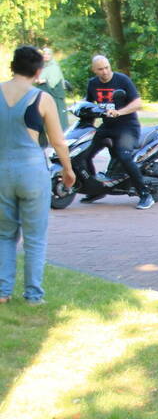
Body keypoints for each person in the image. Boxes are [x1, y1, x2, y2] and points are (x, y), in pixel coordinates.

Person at [0, 46, 75, 305]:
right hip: (31, 170)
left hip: (1, 171)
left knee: (4, 235)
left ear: (12, 66)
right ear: (38, 70)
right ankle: (33, 295)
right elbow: (58, 141)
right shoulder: (42, 98)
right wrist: (67, 169)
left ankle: (2, 291)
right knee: (34, 236)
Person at [82, 55, 153, 209]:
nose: (105, 71)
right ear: (94, 70)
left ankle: (145, 194)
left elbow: (137, 103)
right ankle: (95, 188)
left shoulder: (122, 80)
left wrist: (119, 112)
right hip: (107, 126)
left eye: (107, 67)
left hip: (127, 126)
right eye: (100, 69)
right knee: (84, 152)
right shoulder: (92, 83)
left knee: (124, 156)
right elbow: (87, 104)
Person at [35, 48, 70, 131]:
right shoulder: (41, 66)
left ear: (51, 55)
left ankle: (62, 131)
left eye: (48, 54)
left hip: (55, 92)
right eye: (44, 54)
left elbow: (53, 80)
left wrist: (42, 81)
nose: (46, 56)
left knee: (59, 112)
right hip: (44, 91)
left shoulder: (54, 66)